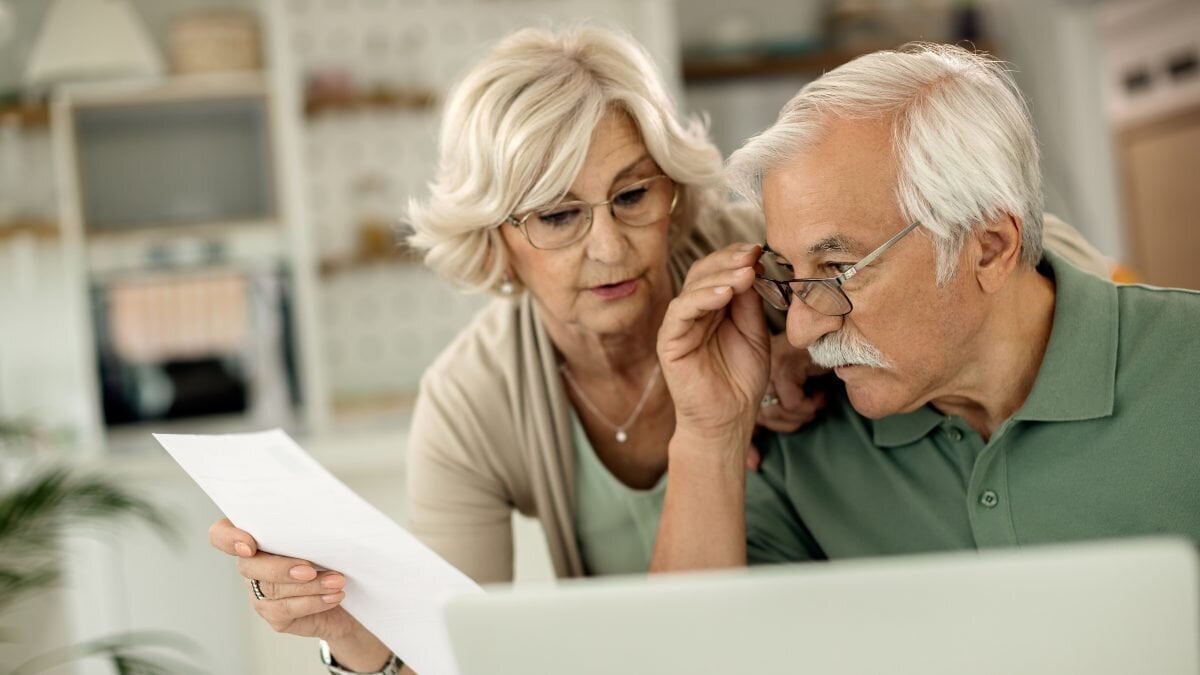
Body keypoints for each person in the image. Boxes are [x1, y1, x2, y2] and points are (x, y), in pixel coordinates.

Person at [206, 26, 823, 674]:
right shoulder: (471, 398)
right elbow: (449, 656)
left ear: (670, 189)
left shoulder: (769, 266)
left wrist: (815, 342)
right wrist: (351, 632)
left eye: (633, 195)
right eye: (558, 215)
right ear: (495, 238)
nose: (610, 247)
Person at [651, 43, 1200, 573]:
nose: (798, 329)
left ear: (988, 248)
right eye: (788, 273)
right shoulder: (803, 439)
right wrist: (709, 433)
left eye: (838, 269)